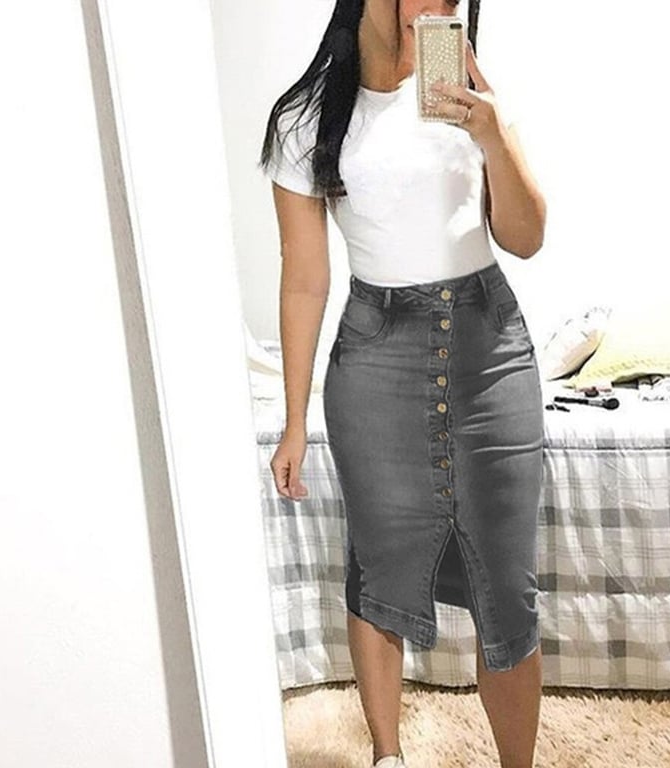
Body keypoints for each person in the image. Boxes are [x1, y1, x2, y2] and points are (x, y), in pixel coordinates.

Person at [259, 1, 547, 766]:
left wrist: (492, 135)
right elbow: (304, 279)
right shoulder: (305, 118)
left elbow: (525, 237)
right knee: (378, 565)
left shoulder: (473, 95)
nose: (439, 7)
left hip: (490, 354)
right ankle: (388, 756)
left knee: (508, 589)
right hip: (374, 357)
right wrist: (294, 422)